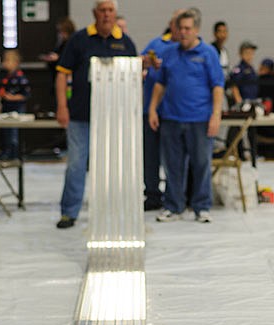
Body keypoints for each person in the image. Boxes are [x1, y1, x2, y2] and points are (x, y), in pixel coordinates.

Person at [54, 0, 137, 229]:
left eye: (110, 10)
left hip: (113, 118)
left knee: (113, 166)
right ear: (94, 13)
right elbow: (62, 74)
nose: (107, 15)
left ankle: (112, 209)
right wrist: (63, 106)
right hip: (81, 115)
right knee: (76, 165)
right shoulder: (79, 40)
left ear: (115, 14)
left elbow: (133, 76)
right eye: (102, 10)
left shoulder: (125, 42)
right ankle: (69, 212)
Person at [147, 8, 225, 224]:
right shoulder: (169, 53)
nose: (183, 32)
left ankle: (201, 207)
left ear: (197, 30)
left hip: (199, 120)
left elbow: (217, 87)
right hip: (171, 118)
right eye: (180, 28)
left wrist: (215, 116)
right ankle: (174, 206)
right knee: (172, 165)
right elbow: (160, 84)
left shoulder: (208, 54)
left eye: (188, 28)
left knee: (201, 164)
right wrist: (153, 109)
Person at [140, 9, 185, 211]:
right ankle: (152, 195)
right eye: (179, 24)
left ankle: (175, 195)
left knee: (175, 157)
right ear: (171, 24)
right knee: (150, 156)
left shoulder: (189, 47)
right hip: (152, 109)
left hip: (176, 112)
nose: (182, 30)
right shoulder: (156, 45)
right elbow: (139, 64)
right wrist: (146, 64)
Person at [0, 49, 31, 160]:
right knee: (6, 131)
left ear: (16, 62)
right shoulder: (4, 76)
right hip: (6, 107)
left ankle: (15, 154)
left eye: (7, 61)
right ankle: (6, 152)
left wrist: (12, 97)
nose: (5, 63)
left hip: (17, 108)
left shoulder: (20, 77)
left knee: (14, 133)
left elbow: (26, 94)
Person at [39, 17, 76, 103]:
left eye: (62, 31)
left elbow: (71, 60)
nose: (60, 34)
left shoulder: (73, 42)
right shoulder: (61, 43)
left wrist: (59, 58)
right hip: (56, 75)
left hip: (68, 79)